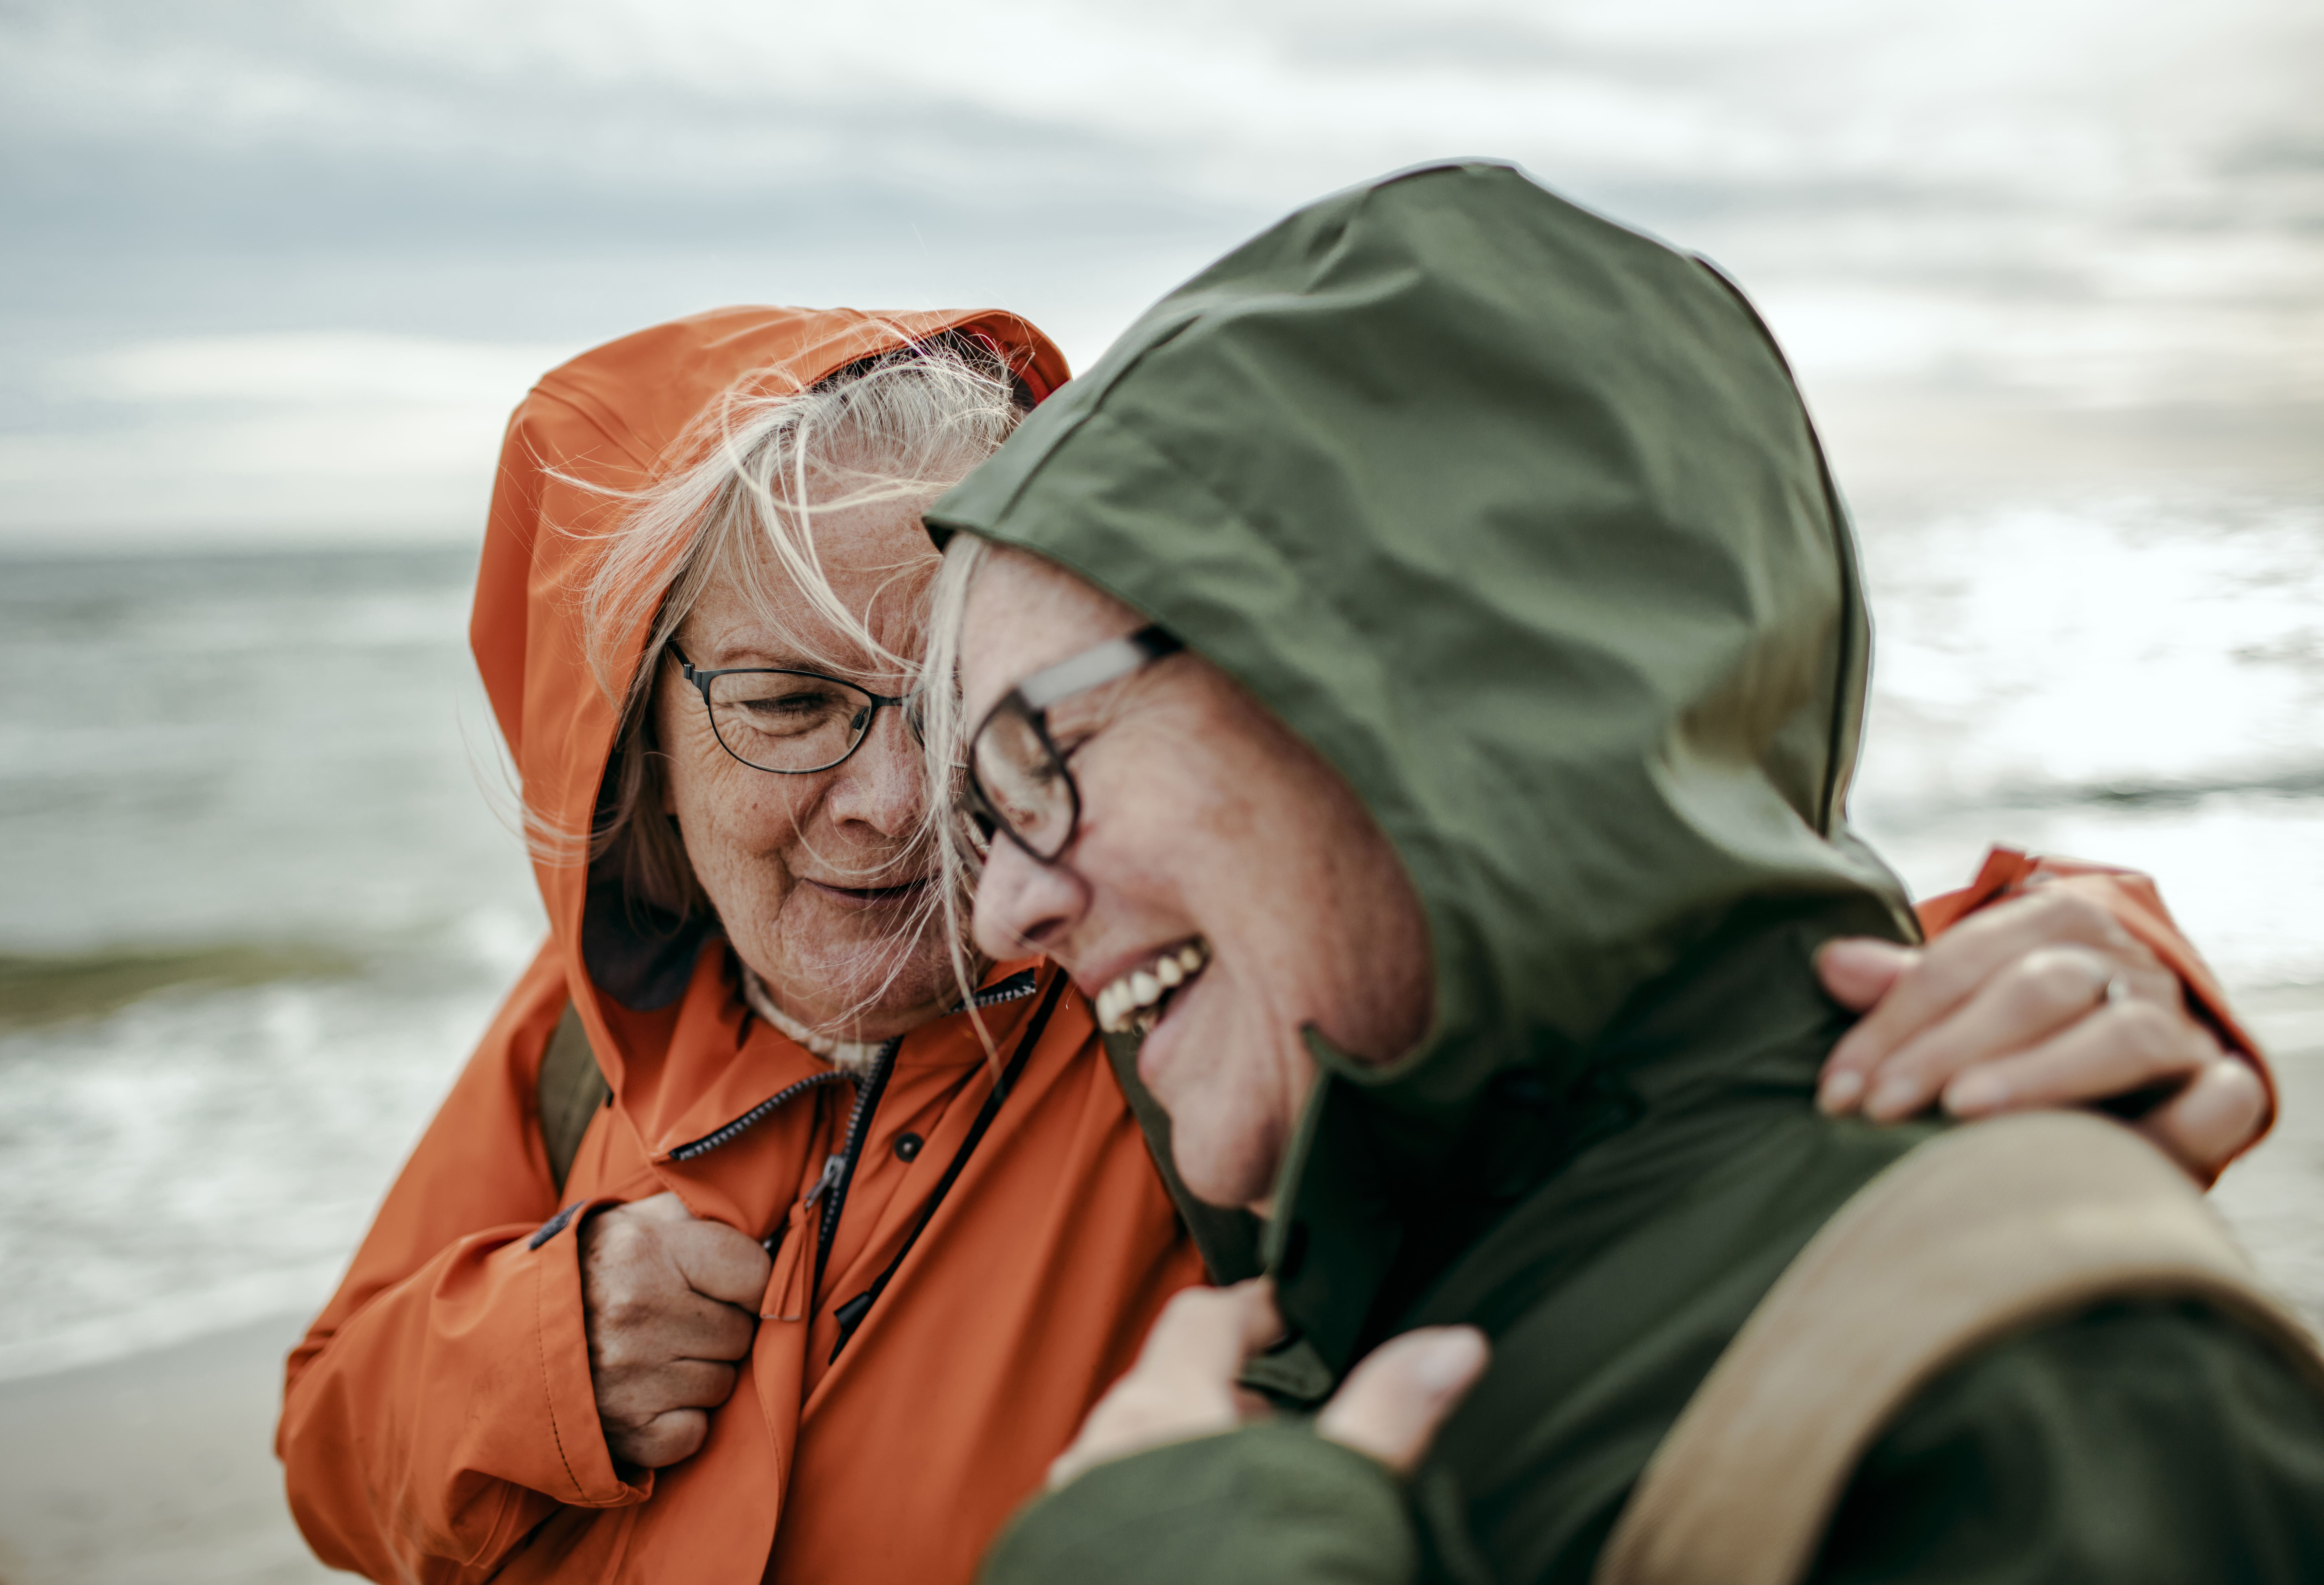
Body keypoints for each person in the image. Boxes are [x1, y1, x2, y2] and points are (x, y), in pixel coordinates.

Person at [277, 297, 2272, 1585]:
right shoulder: (580, 1033)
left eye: (959, 705)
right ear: (631, 741)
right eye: (792, 705)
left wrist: (2088, 946)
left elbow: (1669, 1006)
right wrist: (540, 1354)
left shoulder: (1178, 1000)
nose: (898, 803)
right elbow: (327, 1436)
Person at [937, 163, 2324, 1585]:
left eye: (1043, 753)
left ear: (1397, 668)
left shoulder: (2053, 1393)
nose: (1001, 913)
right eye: (986, 814)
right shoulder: (1391, 1302)